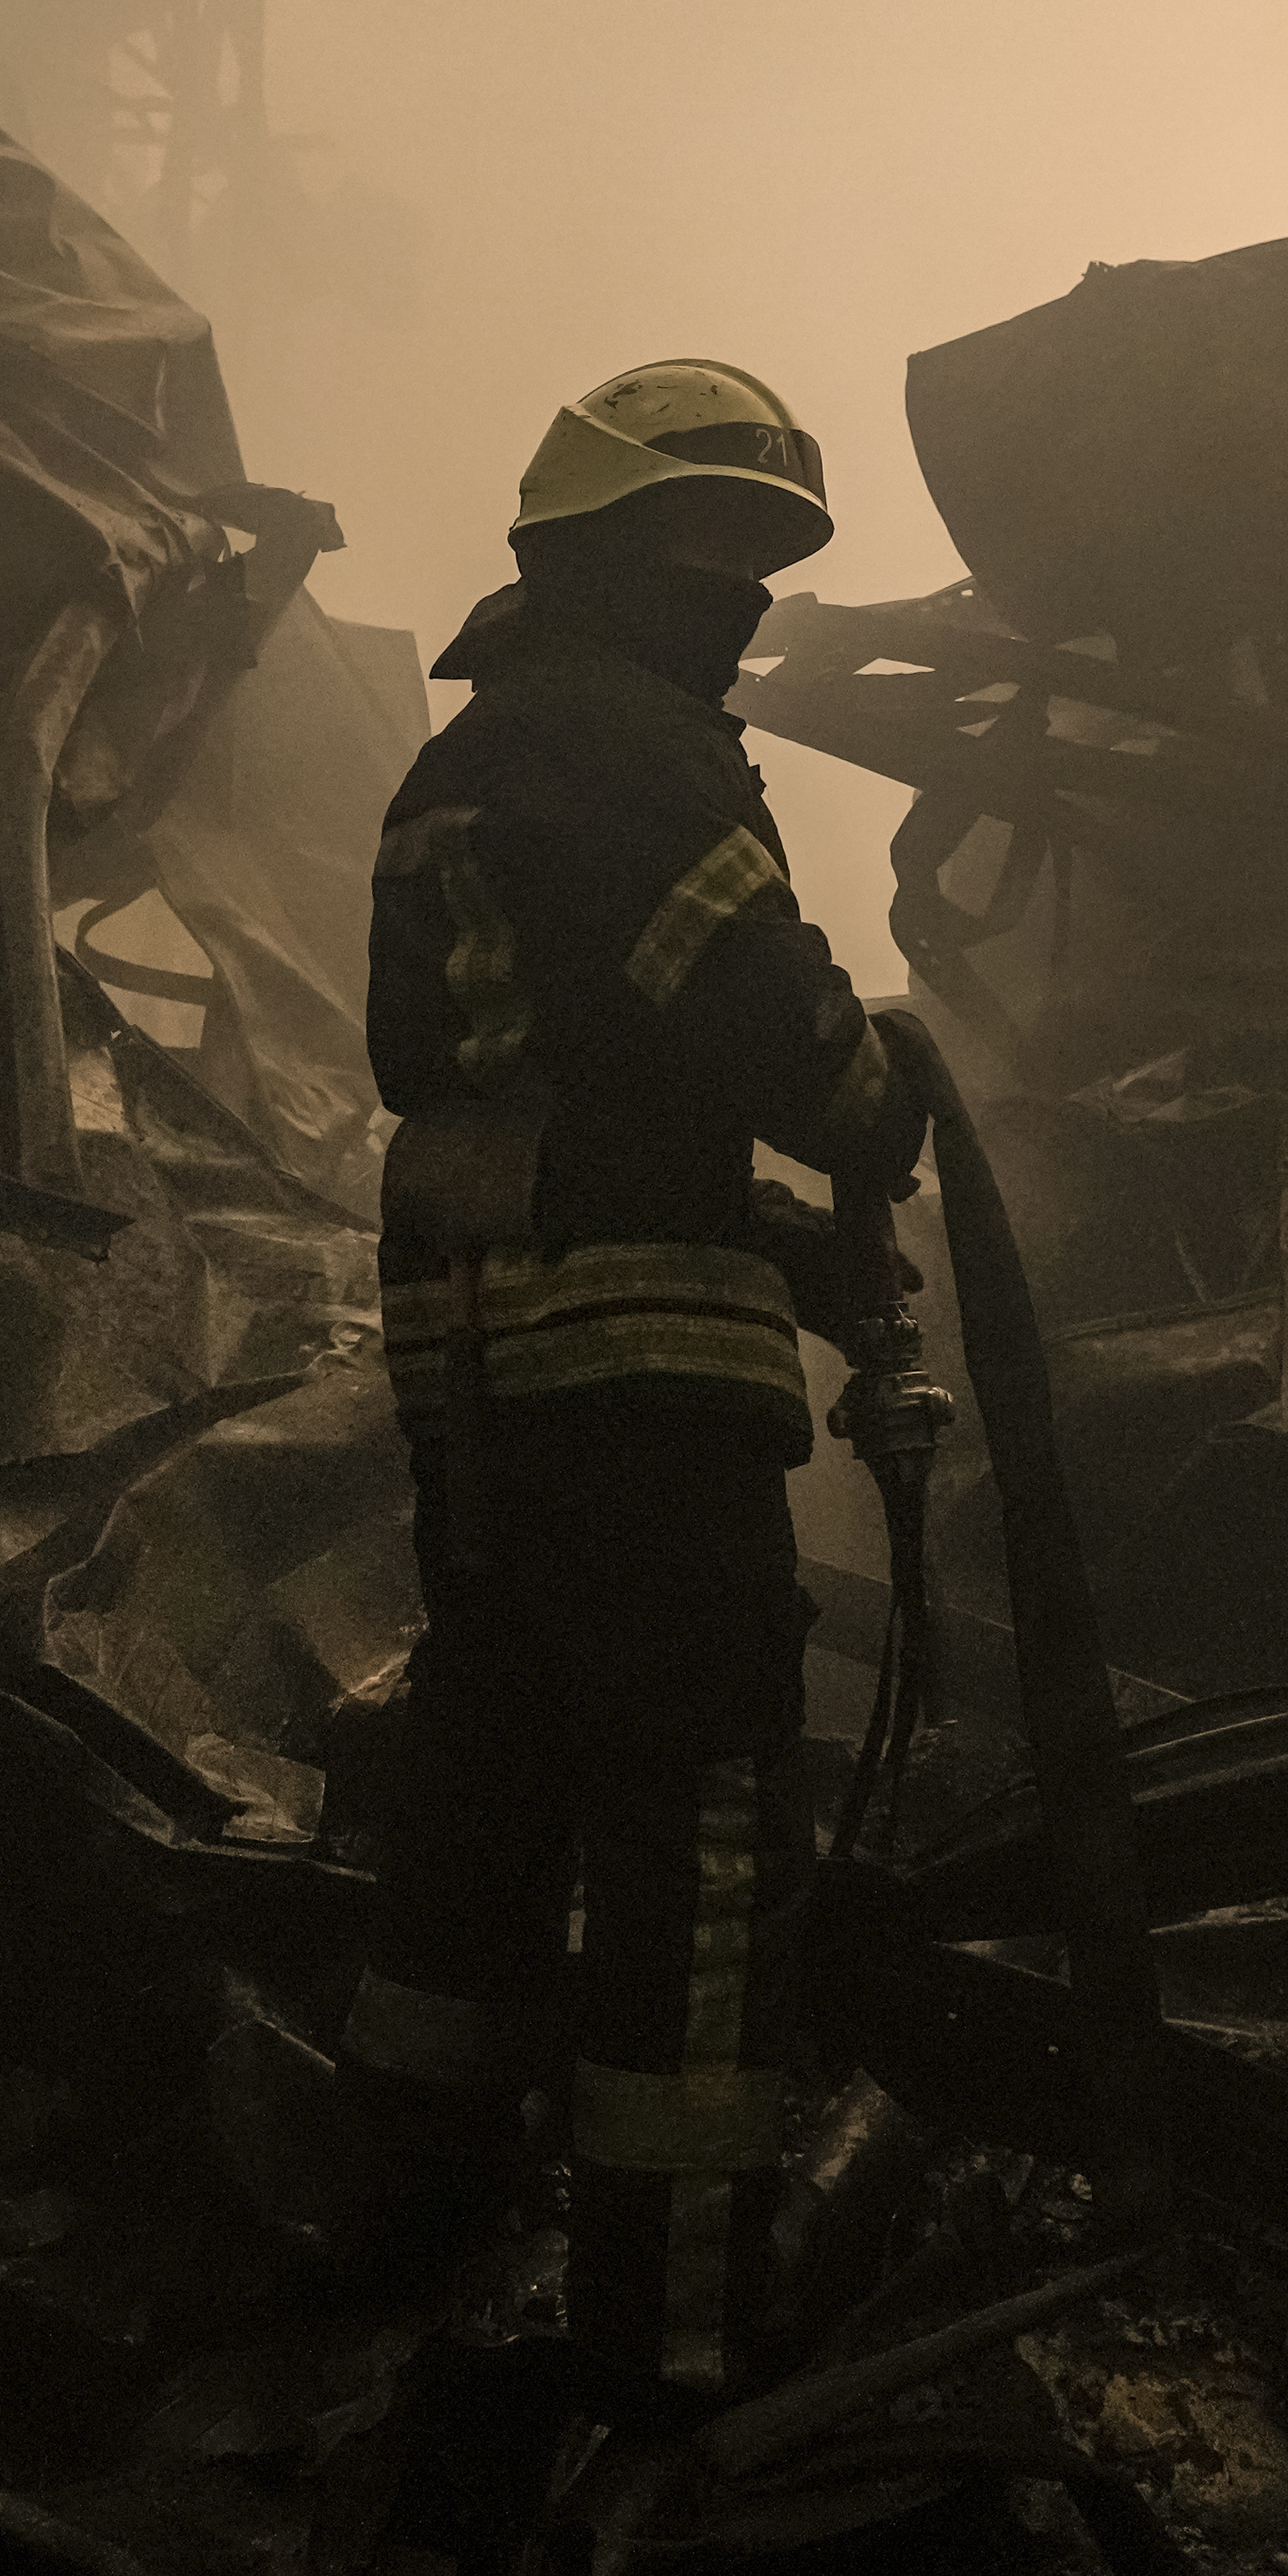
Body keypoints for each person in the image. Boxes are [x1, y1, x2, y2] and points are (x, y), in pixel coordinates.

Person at [344, 358, 926, 2413]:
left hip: (485, 1378)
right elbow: (784, 1041)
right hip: (643, 1394)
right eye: (706, 541)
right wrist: (883, 1096)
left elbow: (533, 1078)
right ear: (592, 551)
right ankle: (673, 2334)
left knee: (488, 1778)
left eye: (762, 552)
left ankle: (396, 2233)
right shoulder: (641, 747)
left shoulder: (473, 759)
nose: (737, 592)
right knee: (701, 1823)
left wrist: (765, 1237)